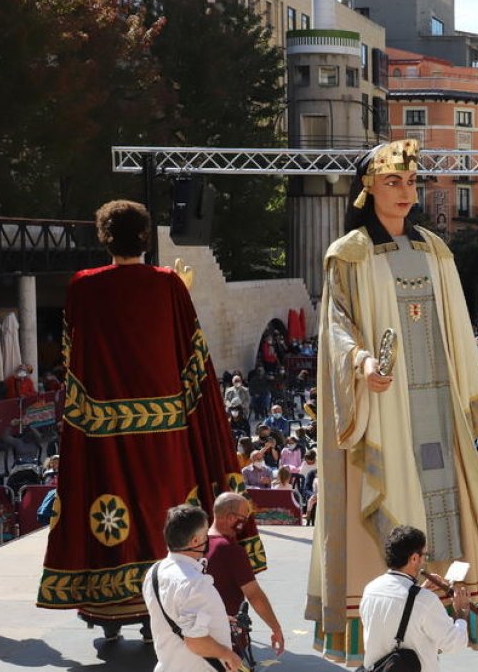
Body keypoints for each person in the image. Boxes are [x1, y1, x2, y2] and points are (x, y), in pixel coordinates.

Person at [307, 140, 478, 663]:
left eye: (410, 182)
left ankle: (440, 619)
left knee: (442, 503)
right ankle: (380, 636)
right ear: (368, 188)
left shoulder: (436, 250)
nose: (404, 191)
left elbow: (459, 325)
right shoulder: (348, 253)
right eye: (392, 181)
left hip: (435, 403)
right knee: (389, 496)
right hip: (384, 407)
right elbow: (336, 326)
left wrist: (472, 396)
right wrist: (361, 362)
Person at [38, 200, 263, 641]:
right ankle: (164, 610)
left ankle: (110, 613)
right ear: (146, 237)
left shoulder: (82, 286)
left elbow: (72, 359)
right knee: (168, 513)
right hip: (168, 433)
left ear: (104, 238)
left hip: (103, 433)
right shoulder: (168, 284)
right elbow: (193, 358)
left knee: (109, 516)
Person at [143, 505, 242, 672]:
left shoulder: (154, 571)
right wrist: (228, 655)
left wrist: (216, 618)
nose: (208, 538)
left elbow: (175, 610)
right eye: (205, 534)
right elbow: (195, 641)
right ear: (195, 541)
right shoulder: (195, 583)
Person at [360, 526, 472, 672]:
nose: (424, 561)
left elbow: (390, 618)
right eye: (424, 555)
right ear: (414, 558)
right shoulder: (425, 601)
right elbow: (454, 643)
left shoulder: (371, 589)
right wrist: (461, 612)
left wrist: (418, 593)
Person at [205, 493, 284, 665]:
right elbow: (254, 595)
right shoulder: (231, 550)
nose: (245, 523)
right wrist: (276, 628)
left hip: (199, 637)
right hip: (225, 640)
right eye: (243, 517)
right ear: (230, 517)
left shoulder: (196, 544)